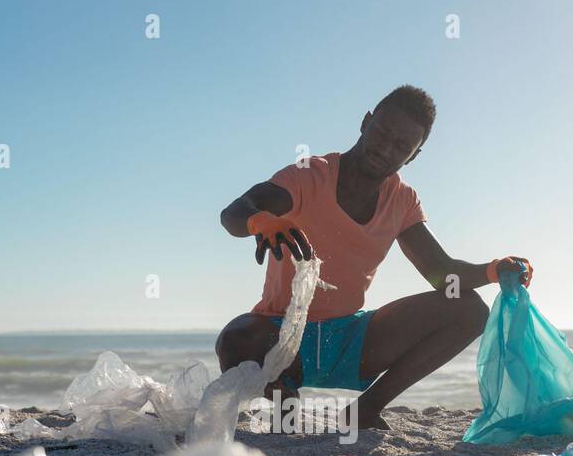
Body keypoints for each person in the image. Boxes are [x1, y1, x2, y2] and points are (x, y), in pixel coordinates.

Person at [216, 84, 532, 430]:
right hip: (282, 336)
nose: (386, 149)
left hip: (350, 341)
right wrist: (261, 220)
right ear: (366, 122)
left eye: (401, 146)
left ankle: (364, 410)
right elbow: (234, 212)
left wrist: (493, 270)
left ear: (414, 155)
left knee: (468, 309)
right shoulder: (309, 175)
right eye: (382, 133)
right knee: (236, 338)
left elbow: (441, 272)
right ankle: (283, 399)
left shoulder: (402, 200)